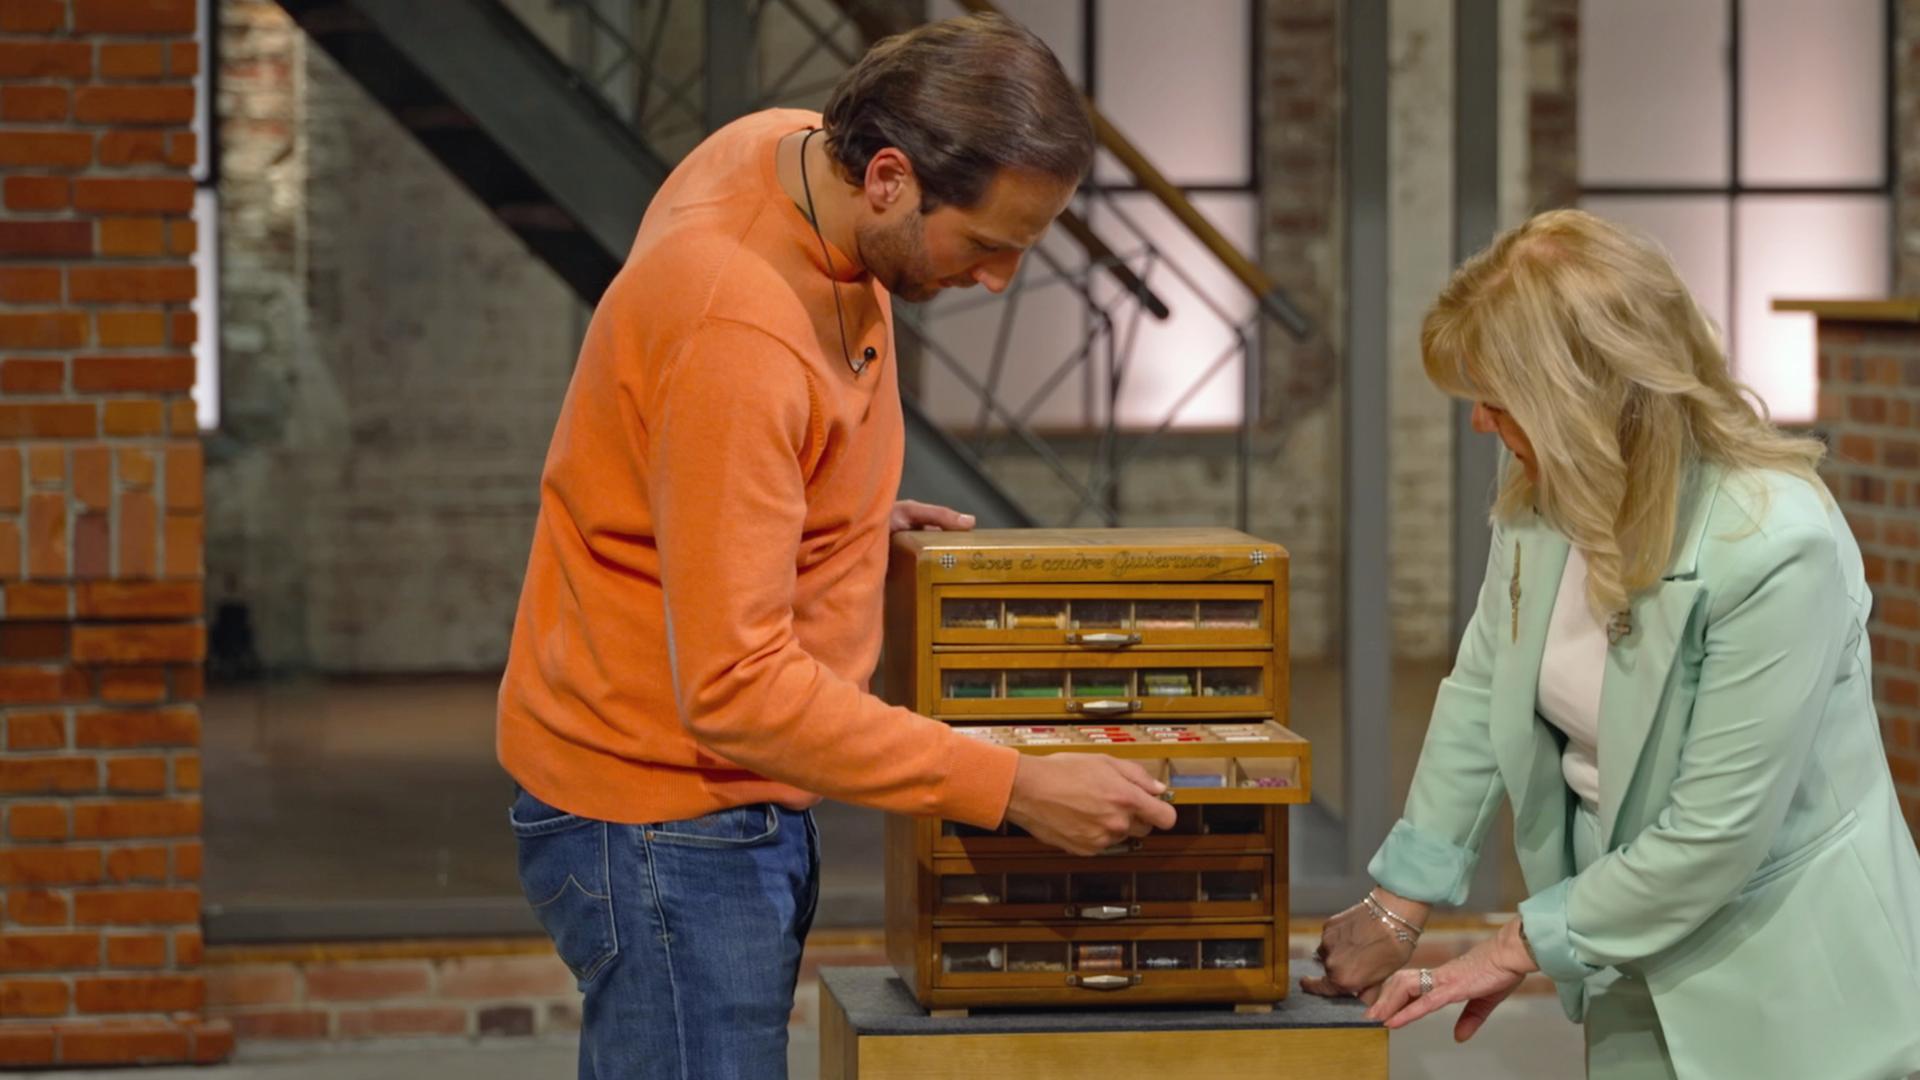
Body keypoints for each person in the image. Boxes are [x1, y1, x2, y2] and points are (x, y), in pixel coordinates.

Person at [495, 13, 1175, 1079]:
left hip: (708, 806)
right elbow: (735, 689)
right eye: (986, 245)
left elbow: (695, 442)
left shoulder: (783, 148)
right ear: (891, 179)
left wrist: (821, 514)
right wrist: (1013, 787)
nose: (1000, 280)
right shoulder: (737, 327)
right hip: (666, 823)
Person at [1307, 209, 1920, 1080]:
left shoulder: (1776, 544)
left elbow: (1712, 836)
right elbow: (1484, 690)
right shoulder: (1545, 492)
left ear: (1582, 402)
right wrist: (1398, 902)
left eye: (1499, 399)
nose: (1479, 422)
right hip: (1623, 947)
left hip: (1796, 986)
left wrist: (1516, 946)